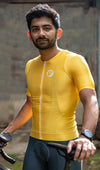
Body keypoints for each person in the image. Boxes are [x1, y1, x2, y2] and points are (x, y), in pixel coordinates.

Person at [0, 4, 99, 170]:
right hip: (35, 146)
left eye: (47, 28)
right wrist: (6, 132)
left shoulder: (74, 60)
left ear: (58, 33)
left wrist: (86, 136)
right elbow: (31, 104)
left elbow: (91, 99)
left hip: (65, 146)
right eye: (36, 29)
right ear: (30, 35)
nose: (41, 33)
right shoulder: (30, 66)